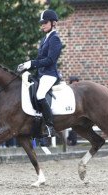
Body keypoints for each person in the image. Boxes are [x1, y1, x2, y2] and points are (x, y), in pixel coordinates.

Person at [17, 9, 62, 137]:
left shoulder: (55, 39)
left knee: (40, 95)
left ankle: (50, 126)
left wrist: (31, 63)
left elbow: (50, 60)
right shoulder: (44, 39)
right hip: (41, 74)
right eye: (41, 23)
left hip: (50, 74)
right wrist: (26, 65)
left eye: (45, 22)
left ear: (53, 23)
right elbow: (39, 60)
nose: (42, 25)